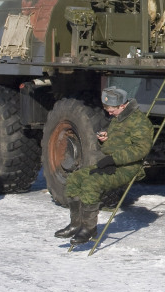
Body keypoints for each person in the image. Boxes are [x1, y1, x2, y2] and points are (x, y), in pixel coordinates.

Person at [55, 86, 154, 245]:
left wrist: (113, 160)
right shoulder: (119, 118)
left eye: (112, 109)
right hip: (112, 163)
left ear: (122, 105)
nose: (109, 113)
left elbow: (141, 149)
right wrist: (106, 140)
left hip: (128, 167)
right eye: (107, 109)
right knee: (75, 178)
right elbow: (120, 141)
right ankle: (76, 224)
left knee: (91, 184)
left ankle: (89, 228)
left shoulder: (139, 122)